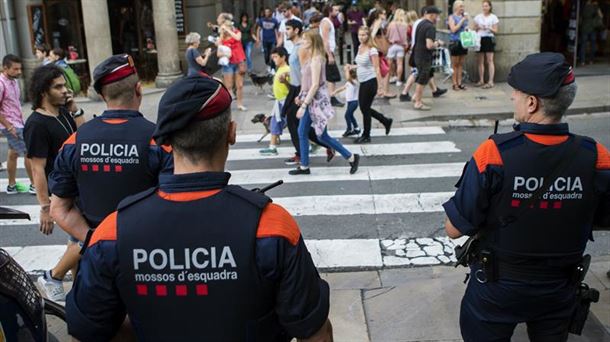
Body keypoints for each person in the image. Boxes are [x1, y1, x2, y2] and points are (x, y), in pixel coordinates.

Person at [66, 74, 334, 341]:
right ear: (231, 133)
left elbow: (88, 329)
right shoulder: (273, 226)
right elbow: (316, 333)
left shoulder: (113, 231)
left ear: (166, 142)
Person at [443, 52, 610, 341]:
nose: (513, 99)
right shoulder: (597, 155)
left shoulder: (493, 153)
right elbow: (603, 218)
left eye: (516, 93)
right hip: (559, 290)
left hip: (497, 289)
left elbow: (454, 228)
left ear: (532, 103)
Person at [39, 54, 173, 302]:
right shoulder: (159, 141)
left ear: (102, 95)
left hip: (96, 257)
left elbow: (60, 208)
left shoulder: (74, 142)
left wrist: (95, 240)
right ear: (138, 89)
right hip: (146, 260)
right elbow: (173, 206)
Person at [23, 65, 80, 300]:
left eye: (64, 85)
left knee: (77, 242)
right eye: (58, 87)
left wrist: (75, 108)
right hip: (61, 191)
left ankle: (78, 289)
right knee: (86, 237)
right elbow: (37, 168)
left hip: (77, 186)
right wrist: (45, 207)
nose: (64, 90)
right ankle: (53, 276)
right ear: (43, 91)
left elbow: (82, 136)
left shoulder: (63, 113)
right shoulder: (37, 123)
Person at [290, 30, 359, 176]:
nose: (303, 42)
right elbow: (306, 81)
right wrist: (301, 95)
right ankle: (304, 166)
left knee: (321, 135)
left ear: (313, 41)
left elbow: (315, 85)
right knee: (303, 132)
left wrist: (303, 105)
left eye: (305, 39)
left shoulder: (317, 59)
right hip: (310, 99)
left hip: (317, 101)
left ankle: (351, 157)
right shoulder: (311, 58)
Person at [280, 19, 335, 166]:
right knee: (297, 123)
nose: (286, 31)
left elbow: (306, 71)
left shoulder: (302, 47)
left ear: (297, 30)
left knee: (295, 122)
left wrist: (303, 95)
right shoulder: (295, 46)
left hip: (300, 89)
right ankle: (320, 147)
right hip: (294, 87)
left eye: (289, 28)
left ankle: (305, 153)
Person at [0, 54, 35, 194]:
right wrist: (9, 126)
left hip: (18, 122)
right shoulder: (1, 83)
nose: (19, 72)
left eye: (20, 68)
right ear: (5, 68)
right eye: (15, 69)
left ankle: (11, 185)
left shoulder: (13, 81)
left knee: (13, 154)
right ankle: (34, 185)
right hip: (11, 125)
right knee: (28, 153)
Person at [352, 26, 393, 144]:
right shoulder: (360, 47)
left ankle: (366, 135)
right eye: (360, 35)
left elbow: (377, 68)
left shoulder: (372, 50)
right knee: (364, 108)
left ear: (368, 36)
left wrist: (380, 87)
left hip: (371, 82)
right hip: (363, 81)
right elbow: (360, 64)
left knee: (364, 109)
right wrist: (352, 67)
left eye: (364, 35)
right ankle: (385, 121)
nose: (361, 37)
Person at [412, 6, 444, 111]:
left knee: (423, 76)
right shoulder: (430, 27)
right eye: (437, 15)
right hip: (424, 57)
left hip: (417, 55)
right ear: (432, 15)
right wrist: (438, 43)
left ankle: (415, 97)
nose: (438, 17)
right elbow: (429, 45)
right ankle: (418, 102)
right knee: (422, 79)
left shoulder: (421, 24)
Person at [259, 47, 290, 156]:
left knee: (295, 125)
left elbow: (292, 88)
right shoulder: (279, 69)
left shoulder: (287, 70)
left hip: (286, 102)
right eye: (273, 57)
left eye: (276, 57)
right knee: (274, 123)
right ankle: (272, 147)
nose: (274, 59)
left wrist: (285, 81)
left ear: (283, 57)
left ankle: (313, 142)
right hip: (279, 101)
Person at [218, 20, 247, 111]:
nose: (226, 29)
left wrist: (229, 30)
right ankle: (227, 105)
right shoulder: (223, 38)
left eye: (227, 26)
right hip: (228, 64)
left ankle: (240, 104)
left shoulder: (237, 33)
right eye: (224, 27)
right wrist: (221, 34)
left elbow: (238, 38)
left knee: (240, 85)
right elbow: (218, 52)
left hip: (239, 62)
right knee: (228, 86)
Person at [320, 4, 343, 107]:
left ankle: (331, 96)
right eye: (335, 10)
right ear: (330, 11)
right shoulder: (326, 22)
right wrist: (329, 55)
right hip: (327, 52)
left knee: (332, 76)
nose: (337, 12)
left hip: (329, 51)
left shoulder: (329, 21)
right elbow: (325, 40)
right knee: (332, 76)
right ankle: (331, 97)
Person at [473, 0, 499, 88]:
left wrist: (489, 28)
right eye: (483, 6)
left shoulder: (493, 17)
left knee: (490, 60)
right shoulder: (478, 17)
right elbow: (474, 29)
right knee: (480, 61)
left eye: (486, 6)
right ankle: (481, 80)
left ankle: (491, 81)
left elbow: (496, 31)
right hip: (479, 39)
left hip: (488, 38)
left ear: (490, 7)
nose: (484, 8)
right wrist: (478, 27)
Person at [332, 66, 360, 137]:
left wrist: (347, 69)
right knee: (350, 115)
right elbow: (342, 88)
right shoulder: (348, 83)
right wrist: (335, 92)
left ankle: (349, 129)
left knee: (347, 115)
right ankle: (356, 128)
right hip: (350, 103)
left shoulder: (355, 82)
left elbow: (348, 78)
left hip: (354, 103)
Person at [447, 0, 469, 91]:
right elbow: (453, 29)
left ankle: (460, 83)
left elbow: (465, 29)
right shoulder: (451, 17)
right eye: (460, 6)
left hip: (463, 42)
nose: (462, 8)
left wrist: (467, 29)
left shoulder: (464, 17)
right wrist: (462, 20)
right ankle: (454, 83)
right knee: (455, 64)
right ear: (456, 7)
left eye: (463, 6)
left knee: (460, 64)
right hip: (455, 42)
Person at [386, 9, 409, 87]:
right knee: (400, 64)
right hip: (401, 46)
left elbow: (387, 35)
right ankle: (398, 81)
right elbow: (405, 37)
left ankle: (389, 78)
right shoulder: (405, 25)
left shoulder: (391, 24)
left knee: (389, 63)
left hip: (392, 45)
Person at [579, 0, 603, 65]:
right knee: (593, 44)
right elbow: (601, 16)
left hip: (584, 27)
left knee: (583, 44)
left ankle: (582, 61)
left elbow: (580, 18)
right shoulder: (595, 7)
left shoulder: (582, 7)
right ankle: (591, 60)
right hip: (593, 27)